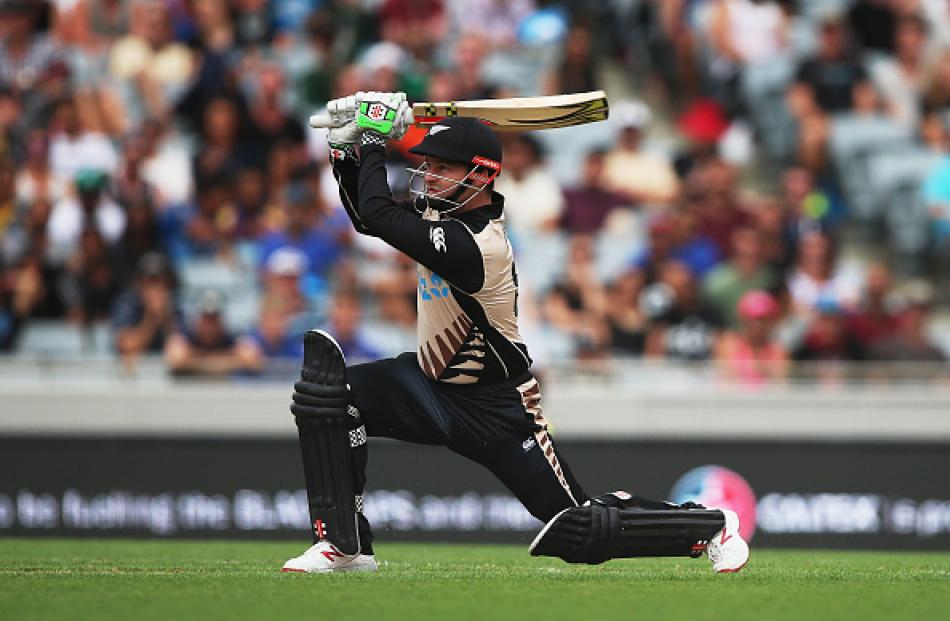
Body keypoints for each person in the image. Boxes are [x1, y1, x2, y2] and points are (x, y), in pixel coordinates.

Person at [281, 91, 749, 574]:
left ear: (481, 175)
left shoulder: (478, 244)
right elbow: (365, 216)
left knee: (579, 527)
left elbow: (378, 215)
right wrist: (344, 148)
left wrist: (374, 137)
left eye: (443, 167)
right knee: (330, 399)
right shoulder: (441, 216)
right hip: (427, 384)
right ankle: (345, 546)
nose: (429, 175)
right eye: (429, 165)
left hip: (497, 407)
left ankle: (709, 525)